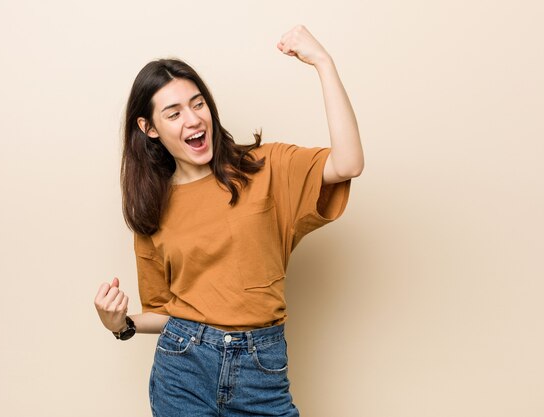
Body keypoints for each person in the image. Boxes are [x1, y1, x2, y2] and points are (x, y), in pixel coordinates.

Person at [94, 25, 364, 417]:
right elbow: (166, 309)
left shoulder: (265, 168)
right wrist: (122, 323)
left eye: (197, 103)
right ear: (149, 128)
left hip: (261, 368)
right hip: (181, 370)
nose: (193, 119)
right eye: (174, 113)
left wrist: (324, 63)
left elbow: (348, 163)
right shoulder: (151, 208)